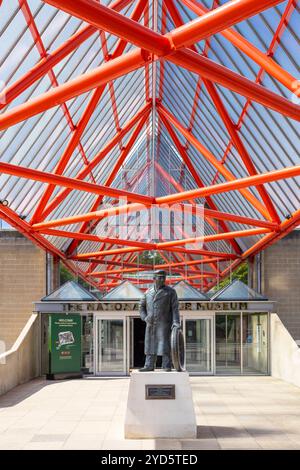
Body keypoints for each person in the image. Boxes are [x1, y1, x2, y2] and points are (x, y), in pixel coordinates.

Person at [139, 270, 180, 372]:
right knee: (150, 345)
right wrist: (145, 317)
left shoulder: (170, 292)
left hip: (164, 323)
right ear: (154, 279)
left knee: (165, 345)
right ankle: (149, 365)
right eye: (160, 277)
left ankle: (166, 365)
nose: (163, 279)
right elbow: (141, 307)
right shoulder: (147, 293)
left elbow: (175, 308)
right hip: (151, 324)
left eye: (164, 277)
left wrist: (176, 322)